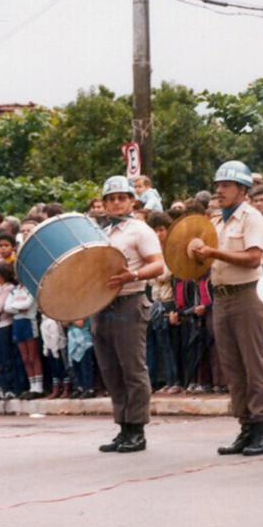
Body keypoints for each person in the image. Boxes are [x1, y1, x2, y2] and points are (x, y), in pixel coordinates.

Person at [191, 161, 263, 457]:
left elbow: (253, 258)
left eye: (226, 185)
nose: (220, 190)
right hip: (222, 297)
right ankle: (245, 426)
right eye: (218, 185)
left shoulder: (252, 218)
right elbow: (207, 260)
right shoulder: (216, 222)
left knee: (253, 364)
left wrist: (213, 252)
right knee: (233, 367)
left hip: (247, 295)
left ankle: (262, 429)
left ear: (242, 189)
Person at [92, 176, 166, 454]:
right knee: (110, 369)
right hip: (102, 304)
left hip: (129, 301)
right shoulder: (101, 231)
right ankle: (123, 426)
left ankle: (137, 429)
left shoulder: (139, 230)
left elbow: (157, 265)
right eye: (111, 199)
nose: (116, 203)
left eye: (122, 198)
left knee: (133, 368)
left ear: (132, 201)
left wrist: (132, 275)